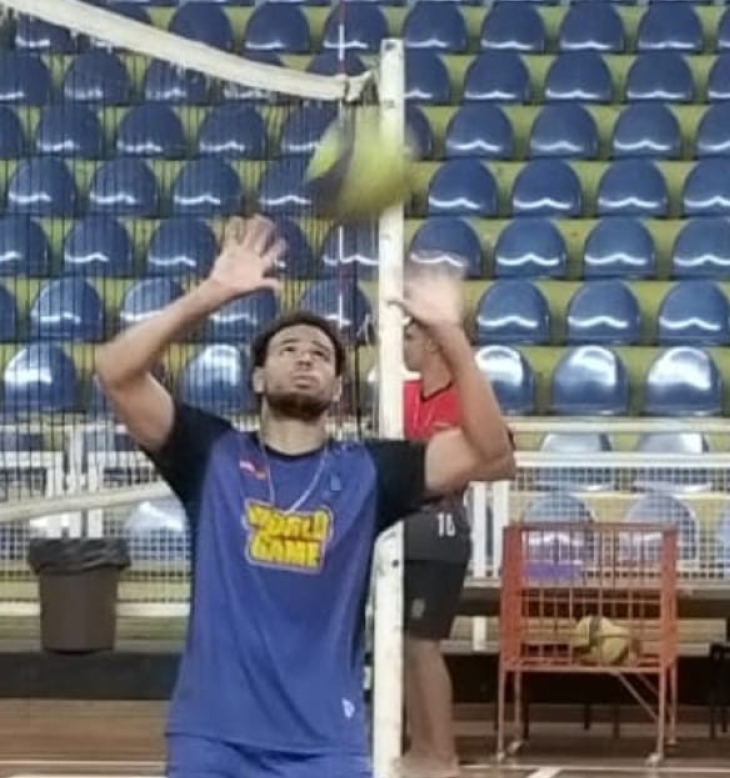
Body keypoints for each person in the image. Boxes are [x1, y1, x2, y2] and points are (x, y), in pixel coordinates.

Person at [95, 215, 515, 778]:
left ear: (338, 388)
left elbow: (491, 451)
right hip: (213, 739)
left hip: (325, 746)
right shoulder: (210, 454)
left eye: (320, 354)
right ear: (258, 378)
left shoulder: (370, 471)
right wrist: (210, 294)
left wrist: (450, 335)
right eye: (287, 349)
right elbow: (115, 372)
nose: (305, 357)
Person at [397, 317, 515, 778]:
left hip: (441, 533)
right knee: (405, 645)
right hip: (399, 533)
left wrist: (439, 475)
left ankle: (442, 753)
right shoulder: (399, 396)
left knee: (424, 644)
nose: (403, 345)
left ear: (432, 342)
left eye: (410, 337)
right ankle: (419, 747)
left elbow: (503, 462)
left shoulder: (466, 399)